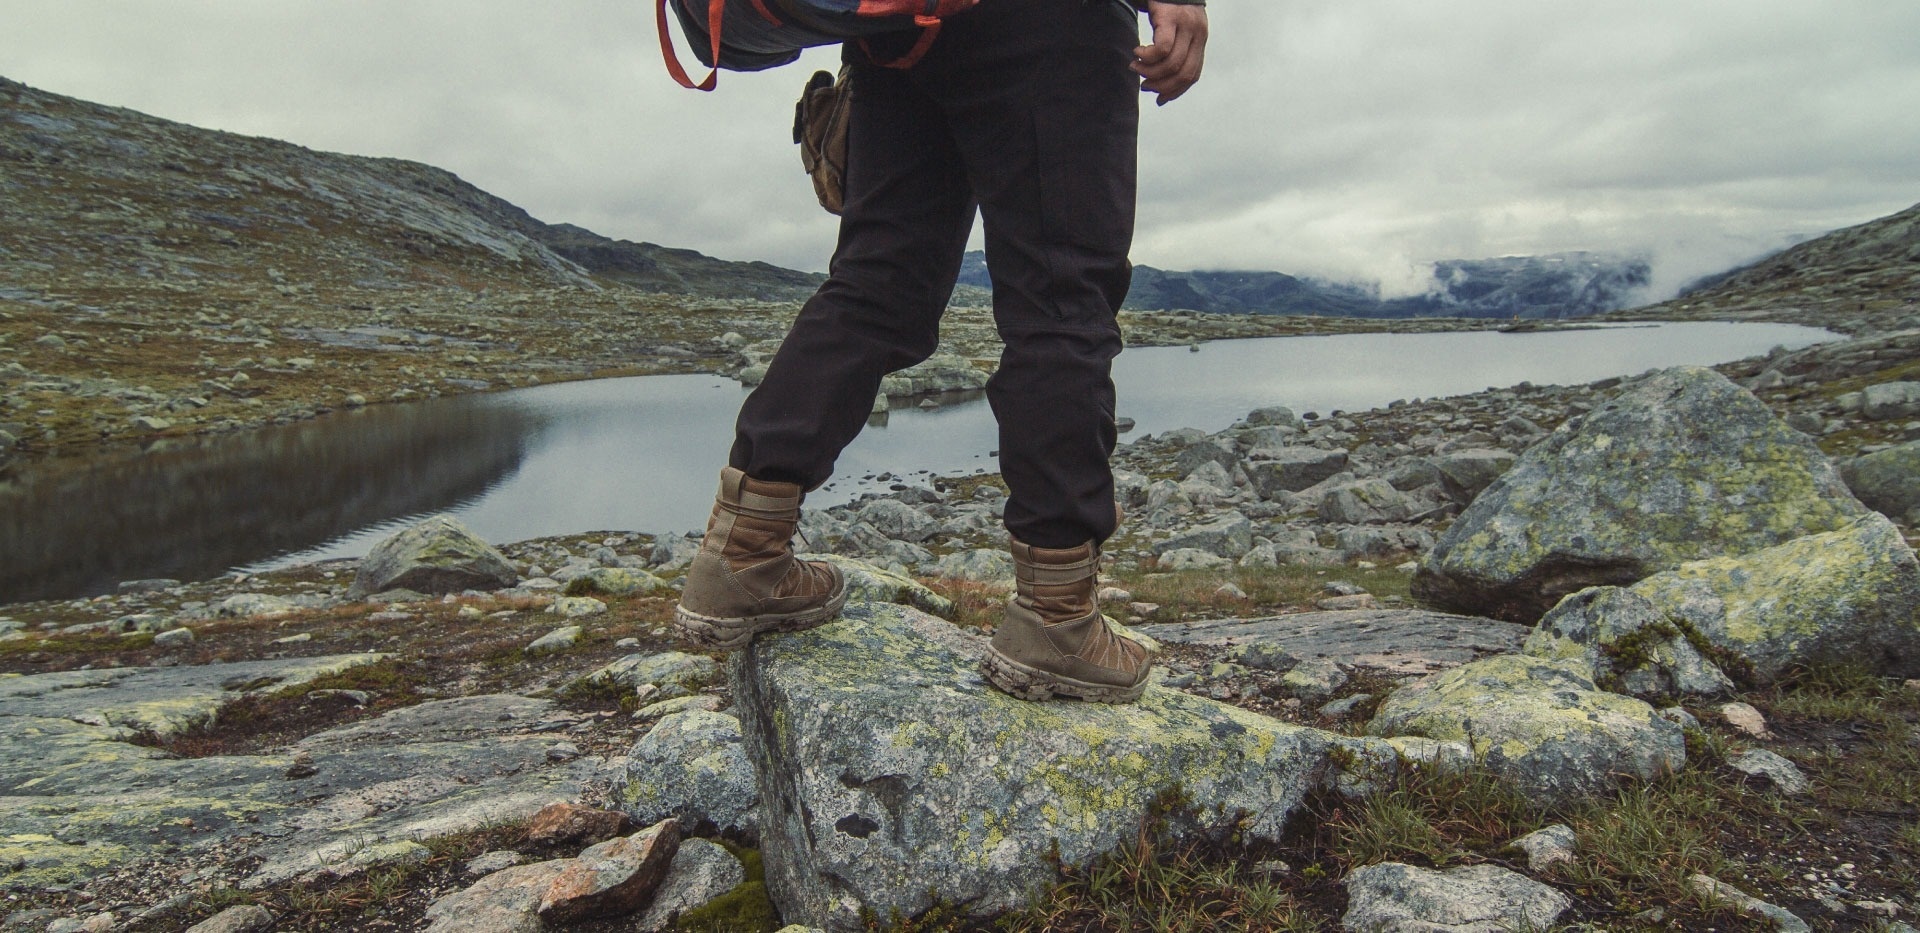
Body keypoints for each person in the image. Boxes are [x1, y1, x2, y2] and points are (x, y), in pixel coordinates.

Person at [673, 0, 1208, 705]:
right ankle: (1058, 619)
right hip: (1048, 25)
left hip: (899, 31)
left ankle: (743, 550)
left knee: (878, 283)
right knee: (1060, 300)